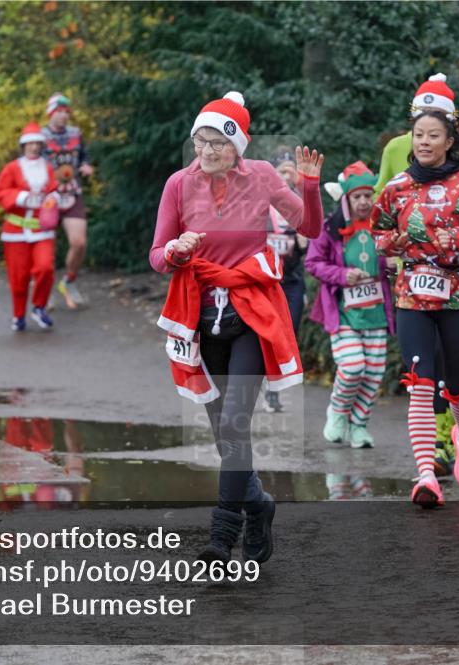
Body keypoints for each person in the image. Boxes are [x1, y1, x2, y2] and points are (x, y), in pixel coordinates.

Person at [150, 91, 323, 563]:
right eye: (200, 141)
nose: (207, 151)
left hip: (250, 309)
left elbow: (308, 227)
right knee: (229, 438)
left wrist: (309, 186)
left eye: (218, 143)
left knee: (234, 422)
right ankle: (260, 507)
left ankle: (222, 536)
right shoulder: (177, 185)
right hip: (200, 316)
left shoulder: (263, 177)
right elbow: (157, 255)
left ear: (238, 146)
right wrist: (176, 252)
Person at [374, 73, 459, 478]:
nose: (424, 142)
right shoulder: (397, 187)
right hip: (412, 291)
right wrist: (391, 243)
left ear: (450, 140)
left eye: (434, 135)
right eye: (419, 135)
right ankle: (426, 474)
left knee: (455, 384)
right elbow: (378, 230)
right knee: (418, 380)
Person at [306, 161, 395, 449]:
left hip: (376, 312)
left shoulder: (383, 228)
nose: (363, 202)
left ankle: (358, 425)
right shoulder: (330, 228)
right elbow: (313, 263)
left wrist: (394, 265)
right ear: (346, 199)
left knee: (373, 373)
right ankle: (337, 412)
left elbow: (396, 261)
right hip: (343, 311)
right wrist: (343, 275)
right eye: (357, 197)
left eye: (368, 196)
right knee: (353, 366)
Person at [0, 122, 60, 331]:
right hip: (16, 231)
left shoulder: (47, 167)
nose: (33, 147)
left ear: (41, 145)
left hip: (42, 229)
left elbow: (54, 190)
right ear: (23, 146)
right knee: (18, 276)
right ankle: (18, 314)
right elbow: (0, 192)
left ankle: (39, 307)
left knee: (45, 268)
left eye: (36, 143)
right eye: (29, 143)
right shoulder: (12, 168)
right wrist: (21, 197)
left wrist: (53, 198)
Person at [262, 146, 310, 413]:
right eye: (282, 172)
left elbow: (313, 245)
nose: (287, 177)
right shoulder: (260, 201)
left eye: (292, 172)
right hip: (265, 282)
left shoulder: (301, 204)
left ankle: (273, 389)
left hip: (291, 280)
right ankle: (261, 380)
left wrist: (305, 242)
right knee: (262, 335)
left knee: (286, 334)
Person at [43, 93, 93, 310]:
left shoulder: (76, 134)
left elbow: (84, 156)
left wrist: (87, 166)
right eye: (59, 112)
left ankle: (68, 281)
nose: (64, 116)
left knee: (79, 242)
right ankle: (43, 290)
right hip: (47, 197)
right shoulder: (39, 136)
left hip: (72, 193)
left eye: (66, 112)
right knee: (45, 246)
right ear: (51, 113)